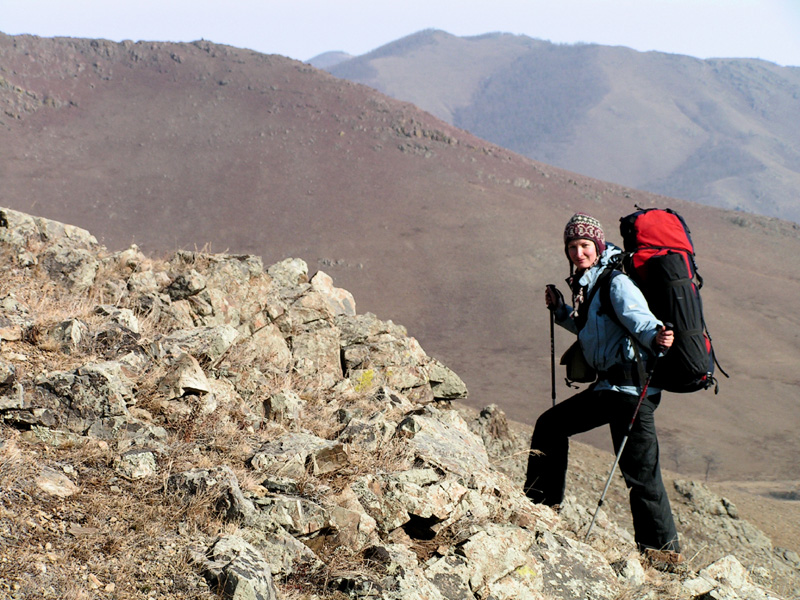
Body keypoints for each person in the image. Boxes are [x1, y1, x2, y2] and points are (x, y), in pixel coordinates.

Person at [524, 212, 683, 568]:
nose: (578, 252)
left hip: (631, 393)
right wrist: (561, 310)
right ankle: (538, 510)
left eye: (584, 245)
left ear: (597, 246)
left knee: (641, 477)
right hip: (608, 389)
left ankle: (664, 560)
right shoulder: (588, 284)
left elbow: (639, 320)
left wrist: (658, 335)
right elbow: (590, 329)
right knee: (549, 426)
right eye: (572, 246)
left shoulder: (615, 282)